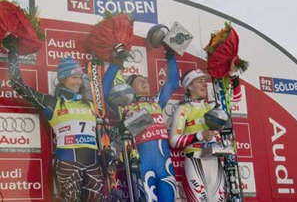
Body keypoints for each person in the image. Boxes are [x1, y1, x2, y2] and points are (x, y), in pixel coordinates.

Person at [5, 39, 104, 202]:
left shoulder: (90, 104)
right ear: (63, 79)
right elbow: (18, 85)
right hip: (68, 163)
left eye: (80, 77)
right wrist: (13, 51)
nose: (78, 82)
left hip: (93, 165)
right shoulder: (53, 103)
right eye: (73, 77)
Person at [103, 49, 179, 202]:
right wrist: (116, 64)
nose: (145, 82)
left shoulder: (156, 101)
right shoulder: (124, 105)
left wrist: (171, 55)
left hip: (164, 163)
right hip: (142, 163)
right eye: (140, 81)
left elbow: (173, 83)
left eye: (146, 80)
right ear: (130, 87)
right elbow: (104, 91)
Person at [169, 60, 241, 202]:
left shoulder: (213, 107)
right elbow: (173, 141)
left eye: (205, 81)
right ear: (189, 86)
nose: (204, 84)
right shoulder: (183, 109)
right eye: (199, 81)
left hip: (214, 161)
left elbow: (235, 98)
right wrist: (200, 135)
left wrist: (234, 73)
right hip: (194, 160)